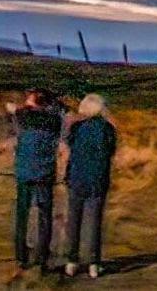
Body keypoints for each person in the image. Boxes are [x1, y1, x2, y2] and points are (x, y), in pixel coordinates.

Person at [6, 88, 63, 274]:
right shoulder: (54, 121)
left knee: (22, 216)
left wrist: (27, 105)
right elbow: (54, 111)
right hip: (45, 174)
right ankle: (42, 258)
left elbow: (14, 108)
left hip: (25, 174)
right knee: (45, 217)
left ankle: (22, 257)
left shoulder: (23, 116)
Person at [64, 93, 117, 279]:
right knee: (94, 223)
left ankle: (72, 262)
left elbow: (69, 144)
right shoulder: (108, 129)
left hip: (77, 178)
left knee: (73, 221)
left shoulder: (77, 128)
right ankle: (94, 264)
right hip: (98, 179)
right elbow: (111, 151)